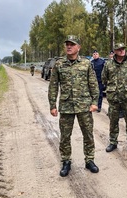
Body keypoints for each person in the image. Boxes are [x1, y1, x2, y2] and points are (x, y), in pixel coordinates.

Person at [48, 35, 100, 177]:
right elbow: (53, 86)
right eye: (67, 44)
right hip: (66, 106)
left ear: (78, 47)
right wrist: (52, 105)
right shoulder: (59, 64)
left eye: (72, 44)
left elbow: (93, 84)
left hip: (84, 105)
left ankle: (89, 160)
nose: (69, 46)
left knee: (88, 134)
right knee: (65, 136)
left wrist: (95, 102)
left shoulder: (86, 64)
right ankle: (66, 161)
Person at [102, 43, 127, 154]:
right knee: (113, 122)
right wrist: (112, 88)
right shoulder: (108, 64)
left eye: (123, 48)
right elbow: (104, 78)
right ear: (115, 51)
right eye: (119, 49)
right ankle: (113, 142)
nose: (122, 50)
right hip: (113, 98)